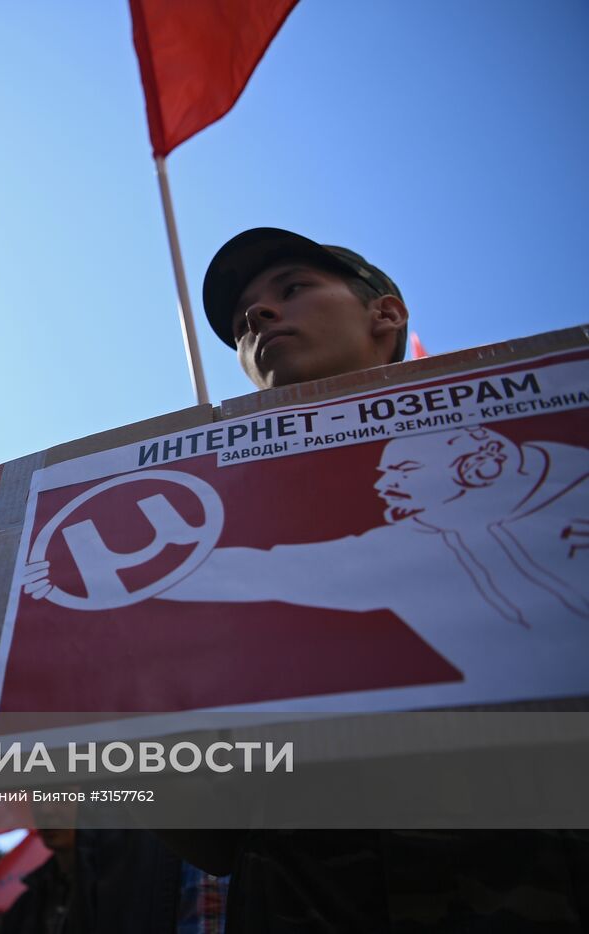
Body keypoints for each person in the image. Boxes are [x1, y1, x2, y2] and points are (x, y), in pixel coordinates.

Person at [190, 227, 589, 932]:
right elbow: (209, 836)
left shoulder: (563, 447)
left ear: (387, 314)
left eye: (292, 289)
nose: (257, 317)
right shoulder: (233, 534)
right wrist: (17, 627)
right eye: (239, 320)